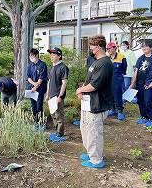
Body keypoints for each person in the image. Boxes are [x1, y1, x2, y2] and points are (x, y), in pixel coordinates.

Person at [76, 35, 114, 169]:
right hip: (88, 102)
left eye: (92, 45)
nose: (90, 48)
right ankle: (90, 153)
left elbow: (94, 85)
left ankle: (96, 160)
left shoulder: (105, 63)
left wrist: (80, 89)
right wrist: (82, 90)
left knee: (94, 133)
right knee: (85, 129)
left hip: (97, 103)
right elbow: (89, 81)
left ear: (98, 47)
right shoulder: (95, 61)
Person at [129, 40, 152, 127]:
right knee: (140, 101)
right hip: (139, 83)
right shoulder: (140, 58)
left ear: (151, 47)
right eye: (142, 46)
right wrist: (132, 84)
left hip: (149, 83)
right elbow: (136, 72)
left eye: (145, 46)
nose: (143, 48)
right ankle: (144, 117)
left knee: (148, 101)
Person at [46, 47, 69, 141]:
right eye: (50, 54)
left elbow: (64, 83)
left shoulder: (63, 67)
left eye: (53, 54)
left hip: (57, 96)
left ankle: (60, 134)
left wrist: (60, 96)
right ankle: (57, 131)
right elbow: (49, 81)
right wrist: (47, 94)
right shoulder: (52, 67)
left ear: (59, 56)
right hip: (51, 95)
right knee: (53, 115)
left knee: (59, 115)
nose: (51, 56)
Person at [27, 48, 48, 128]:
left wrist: (35, 87)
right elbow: (28, 77)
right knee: (33, 107)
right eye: (30, 56)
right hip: (31, 89)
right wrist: (33, 84)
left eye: (32, 56)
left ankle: (42, 123)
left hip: (40, 89)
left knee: (39, 106)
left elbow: (41, 78)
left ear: (36, 55)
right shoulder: (30, 65)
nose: (31, 57)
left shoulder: (42, 64)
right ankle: (36, 122)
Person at [106, 42, 127, 121]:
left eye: (109, 48)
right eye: (107, 49)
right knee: (110, 94)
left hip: (117, 79)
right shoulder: (107, 58)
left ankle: (120, 111)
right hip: (109, 79)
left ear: (115, 48)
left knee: (117, 94)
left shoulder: (121, 57)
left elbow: (124, 68)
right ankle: (113, 109)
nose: (108, 50)